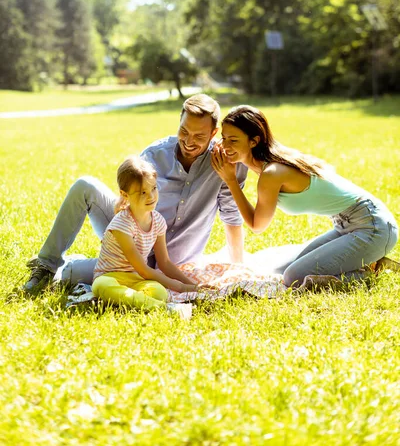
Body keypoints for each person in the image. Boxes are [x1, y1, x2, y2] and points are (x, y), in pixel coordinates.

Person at [23, 94, 247, 294]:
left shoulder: (225, 164)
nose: (189, 142)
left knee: (70, 275)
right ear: (178, 122)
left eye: (199, 136)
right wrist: (122, 207)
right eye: (184, 131)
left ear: (214, 133)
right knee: (85, 185)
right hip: (131, 241)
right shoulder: (155, 154)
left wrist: (238, 269)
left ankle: (71, 264)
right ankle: (46, 264)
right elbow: (125, 199)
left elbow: (232, 215)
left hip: (169, 262)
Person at [211, 105, 399, 287]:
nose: (225, 145)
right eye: (223, 137)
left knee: (294, 277)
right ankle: (364, 260)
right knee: (279, 270)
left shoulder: (272, 172)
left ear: (254, 141)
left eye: (233, 140)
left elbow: (257, 226)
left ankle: (372, 270)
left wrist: (231, 181)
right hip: (346, 226)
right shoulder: (268, 162)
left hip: (373, 227)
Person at [92, 155, 196, 318]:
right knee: (101, 287)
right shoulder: (122, 224)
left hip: (136, 280)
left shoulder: (158, 221)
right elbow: (143, 269)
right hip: (110, 277)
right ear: (124, 194)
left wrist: (192, 285)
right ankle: (164, 309)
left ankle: (137, 301)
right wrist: (180, 288)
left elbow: (165, 262)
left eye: (153, 188)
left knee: (159, 292)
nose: (151, 196)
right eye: (142, 192)